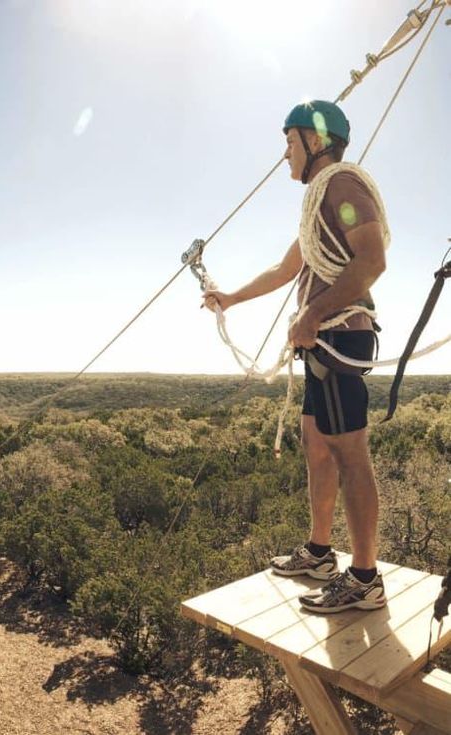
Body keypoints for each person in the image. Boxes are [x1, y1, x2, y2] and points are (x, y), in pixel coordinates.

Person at [203, 100, 389, 613]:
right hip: (321, 342)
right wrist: (231, 298)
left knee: (350, 453)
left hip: (336, 339)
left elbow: (371, 260)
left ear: (316, 142)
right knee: (316, 445)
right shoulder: (318, 205)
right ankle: (320, 552)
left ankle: (365, 578)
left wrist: (311, 316)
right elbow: (287, 269)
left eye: (290, 142)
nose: (284, 154)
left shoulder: (343, 188)